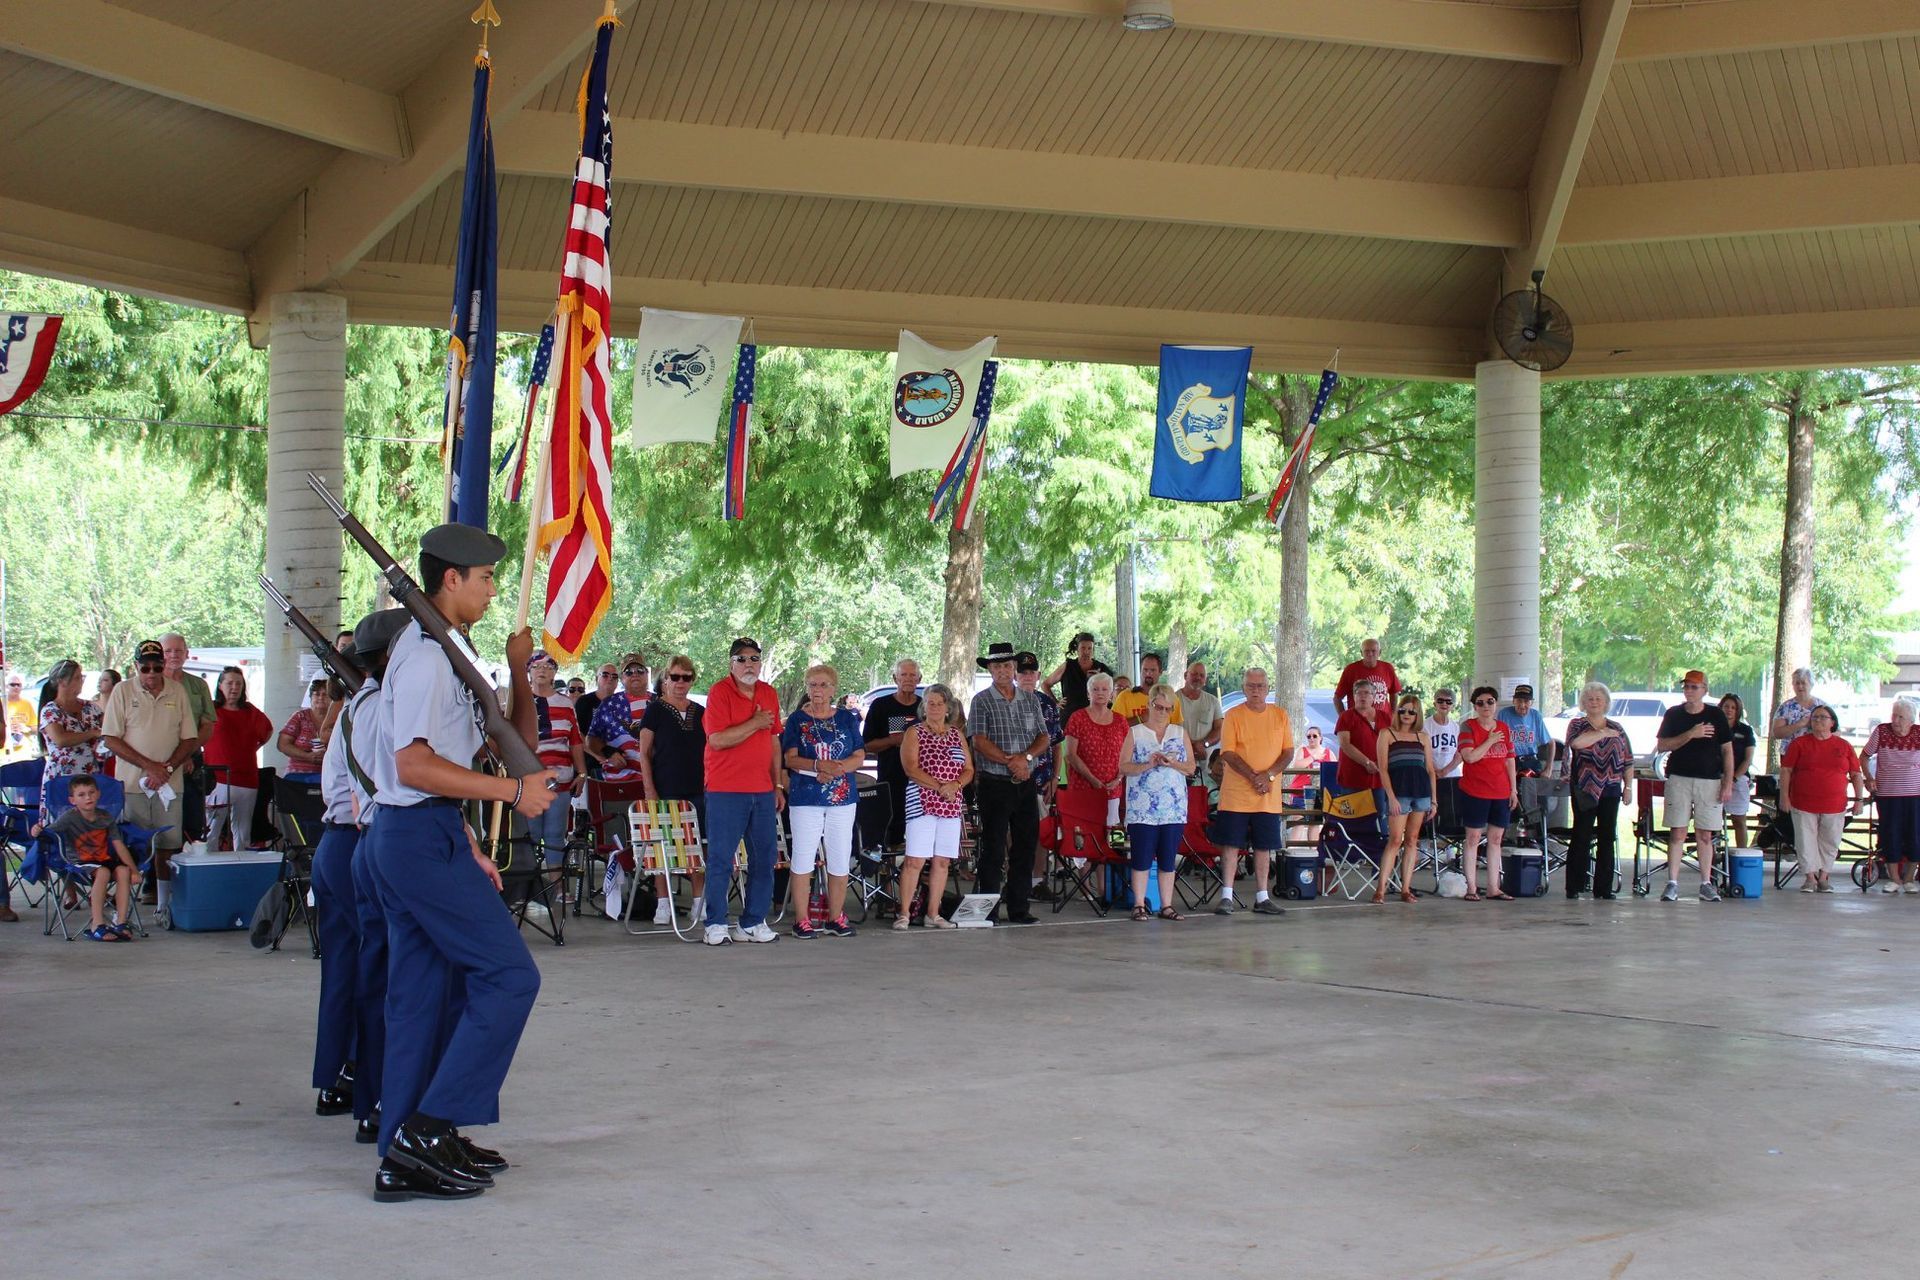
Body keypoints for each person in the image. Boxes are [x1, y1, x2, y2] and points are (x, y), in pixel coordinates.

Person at [366, 524, 556, 1203]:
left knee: (421, 998)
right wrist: (510, 790)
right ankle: (428, 1125)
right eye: (484, 578)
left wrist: (468, 840)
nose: (492, 588)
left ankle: (406, 1152)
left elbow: (453, 756)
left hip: (425, 832)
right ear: (451, 580)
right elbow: (412, 765)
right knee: (509, 977)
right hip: (415, 837)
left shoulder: (446, 649)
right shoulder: (422, 656)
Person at [311, 608, 409, 1135]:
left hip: (341, 843)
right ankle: (371, 1092)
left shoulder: (359, 705)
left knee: (349, 973)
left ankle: (341, 1078)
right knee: (380, 976)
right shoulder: (376, 708)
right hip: (357, 843)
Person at [338, 608, 412, 1146]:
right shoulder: (377, 708)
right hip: (386, 836)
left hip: (373, 839)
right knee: (393, 983)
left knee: (380, 978)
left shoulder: (364, 704)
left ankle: (373, 1099)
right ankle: (382, 1100)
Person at [101, 639, 199, 918]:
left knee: (168, 845)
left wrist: (166, 769)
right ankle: (123, 906)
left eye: (158, 667)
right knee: (133, 844)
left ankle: (163, 905)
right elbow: (110, 738)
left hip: (171, 784)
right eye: (146, 668)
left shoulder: (177, 691)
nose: (152, 674)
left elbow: (190, 737)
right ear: (136, 666)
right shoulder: (121, 691)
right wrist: (149, 767)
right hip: (133, 785)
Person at [700, 637, 786, 946]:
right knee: (722, 859)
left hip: (763, 790)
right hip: (726, 789)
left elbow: (775, 740)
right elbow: (717, 740)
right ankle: (716, 923)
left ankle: (752, 922)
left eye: (753, 658)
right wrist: (755, 722)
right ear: (731, 664)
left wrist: (777, 783)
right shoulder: (720, 692)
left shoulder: (769, 693)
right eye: (741, 659)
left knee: (765, 858)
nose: (748, 664)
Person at [781, 664, 865, 938]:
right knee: (804, 856)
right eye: (813, 685)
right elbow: (790, 758)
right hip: (806, 795)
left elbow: (859, 755)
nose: (818, 690)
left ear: (833, 689)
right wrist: (818, 766)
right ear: (807, 688)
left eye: (824, 685)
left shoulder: (847, 718)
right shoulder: (796, 719)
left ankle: (835, 917)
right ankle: (802, 920)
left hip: (842, 797)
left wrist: (836, 768)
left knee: (840, 856)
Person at [969, 641, 1050, 925]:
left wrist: (1025, 758)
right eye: (996, 666)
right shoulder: (981, 700)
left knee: (1026, 845)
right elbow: (978, 741)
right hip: (994, 782)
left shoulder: (1031, 700)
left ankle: (1018, 907)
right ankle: (988, 909)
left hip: (1025, 782)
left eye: (1007, 665)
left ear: (1014, 668)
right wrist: (1010, 760)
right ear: (989, 669)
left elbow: (1044, 737)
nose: (1002, 670)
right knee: (992, 847)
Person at [1213, 667, 1292, 915]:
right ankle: (1226, 895)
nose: (1256, 690)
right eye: (1251, 685)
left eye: (1260, 685)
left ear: (1268, 688)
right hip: (1236, 794)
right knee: (1231, 844)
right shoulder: (1233, 715)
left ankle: (1262, 896)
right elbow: (1227, 751)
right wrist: (1254, 776)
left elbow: (1288, 752)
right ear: (1244, 687)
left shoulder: (1280, 715)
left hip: (1267, 795)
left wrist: (1267, 775)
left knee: (1263, 846)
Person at [637, 654, 709, 925]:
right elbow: (644, 752)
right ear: (665, 678)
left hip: (697, 789)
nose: (680, 682)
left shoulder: (700, 712)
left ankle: (698, 902)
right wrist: (649, 789)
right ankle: (663, 903)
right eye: (675, 677)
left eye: (686, 677)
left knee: (697, 846)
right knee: (662, 847)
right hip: (665, 787)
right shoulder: (655, 709)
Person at [895, 683, 973, 930]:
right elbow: (911, 768)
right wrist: (941, 786)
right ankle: (904, 913)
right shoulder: (914, 732)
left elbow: (969, 769)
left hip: (951, 804)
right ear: (924, 706)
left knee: (942, 861)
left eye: (940, 703)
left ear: (948, 708)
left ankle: (933, 913)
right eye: (930, 703)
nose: (935, 707)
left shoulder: (957, 734)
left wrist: (956, 784)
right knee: (915, 859)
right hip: (922, 801)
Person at [1652, 670, 1732, 902]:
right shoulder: (1674, 714)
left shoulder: (1716, 715)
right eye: (1686, 686)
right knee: (1677, 831)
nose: (1689, 691)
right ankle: (1672, 882)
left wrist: (1727, 782)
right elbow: (1663, 745)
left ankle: (1706, 882)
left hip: (1710, 780)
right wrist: (1691, 734)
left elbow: (1727, 749)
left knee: (1705, 833)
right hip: (1679, 778)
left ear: (1705, 690)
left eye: (1694, 687)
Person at [32, 773, 139, 941]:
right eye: (81, 795)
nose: (88, 797)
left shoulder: (105, 817)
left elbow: (119, 845)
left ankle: (121, 923)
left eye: (91, 793)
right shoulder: (69, 817)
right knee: (103, 872)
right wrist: (36, 831)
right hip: (79, 862)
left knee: (124, 871)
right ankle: (97, 924)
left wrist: (134, 871)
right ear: (72, 800)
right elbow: (49, 832)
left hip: (103, 859)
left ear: (98, 794)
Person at [1118, 682, 1193, 920]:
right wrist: (1148, 764)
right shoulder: (1135, 733)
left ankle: (1166, 905)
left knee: (1168, 858)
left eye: (1167, 709)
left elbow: (1190, 767)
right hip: (1142, 808)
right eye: (1158, 707)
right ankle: (1139, 903)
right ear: (1148, 705)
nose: (1162, 713)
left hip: (1173, 807)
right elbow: (1123, 766)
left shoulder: (1180, 733)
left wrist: (1173, 763)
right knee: (1141, 856)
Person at [1780, 705, 1866, 893]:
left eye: (1822, 717)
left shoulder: (1844, 745)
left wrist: (1859, 799)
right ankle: (1810, 878)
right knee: (1805, 840)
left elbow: (1856, 774)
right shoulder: (1799, 744)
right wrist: (1784, 796)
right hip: (1803, 802)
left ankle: (1824, 877)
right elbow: (1786, 770)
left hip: (1834, 804)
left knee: (1830, 841)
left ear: (1832, 722)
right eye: (1815, 717)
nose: (1817, 720)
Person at [1563, 682, 1632, 900]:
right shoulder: (1577, 724)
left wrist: (1628, 786)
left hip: (1611, 788)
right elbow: (1577, 744)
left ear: (1606, 703)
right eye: (1590, 699)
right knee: (1581, 835)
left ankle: (1603, 888)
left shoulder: (1617, 728)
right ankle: (1574, 886)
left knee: (1607, 836)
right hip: (1584, 787)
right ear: (1584, 703)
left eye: (1598, 699)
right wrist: (1602, 734)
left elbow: (1627, 760)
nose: (1594, 702)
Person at [527, 650, 586, 890]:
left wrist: (581, 773)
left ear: (555, 672)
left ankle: (557, 888)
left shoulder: (565, 703)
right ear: (528, 671)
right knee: (528, 837)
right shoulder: (518, 701)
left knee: (554, 835)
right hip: (528, 782)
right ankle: (527, 887)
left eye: (548, 666)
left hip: (560, 780)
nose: (542, 670)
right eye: (536, 666)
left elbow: (575, 740)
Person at [1457, 686, 1518, 901]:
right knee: (1473, 837)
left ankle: (1494, 887)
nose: (1486, 706)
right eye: (1480, 702)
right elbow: (1470, 757)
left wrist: (1513, 789)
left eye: (1490, 701)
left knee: (1496, 838)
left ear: (1496, 704)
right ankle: (1471, 887)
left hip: (1501, 790)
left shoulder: (1503, 727)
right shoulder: (1468, 727)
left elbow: (1510, 759)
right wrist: (1490, 741)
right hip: (1475, 790)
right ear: (1474, 706)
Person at [1374, 693, 1436, 904]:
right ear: (1397, 711)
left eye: (1412, 711)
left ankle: (1406, 888)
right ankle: (1381, 888)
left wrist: (1434, 800)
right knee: (1394, 840)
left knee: (1412, 841)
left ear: (1417, 714)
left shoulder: (1423, 737)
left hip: (1421, 793)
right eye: (1403, 710)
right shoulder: (1387, 734)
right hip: (1399, 793)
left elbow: (1430, 769)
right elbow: (1382, 769)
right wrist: (1390, 796)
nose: (1407, 714)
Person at [203, 666, 273, 852]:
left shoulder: (251, 711)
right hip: (218, 778)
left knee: (243, 833)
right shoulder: (211, 709)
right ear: (220, 685)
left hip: (247, 779)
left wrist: (253, 747)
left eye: (238, 684)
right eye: (230, 683)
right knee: (211, 831)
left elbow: (267, 730)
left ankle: (240, 868)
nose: (234, 688)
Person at [160, 633, 219, 842]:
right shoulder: (151, 684)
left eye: (178, 650)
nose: (173, 655)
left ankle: (189, 872)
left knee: (192, 824)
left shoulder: (198, 685)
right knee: (161, 826)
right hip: (157, 762)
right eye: (168, 651)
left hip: (191, 762)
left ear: (187, 654)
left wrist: (186, 753)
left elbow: (207, 725)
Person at [861, 658, 922, 850]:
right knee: (889, 835)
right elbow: (867, 745)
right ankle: (887, 877)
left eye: (912, 675)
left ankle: (917, 876)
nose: (908, 679)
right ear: (895, 678)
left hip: (921, 781)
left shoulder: (926, 707)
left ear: (919, 679)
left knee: (918, 834)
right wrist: (893, 741)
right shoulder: (881, 706)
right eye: (904, 674)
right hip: (890, 778)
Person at [1060, 672, 1129, 839]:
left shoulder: (1121, 721)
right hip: (1083, 788)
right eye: (1095, 689)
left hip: (1112, 789)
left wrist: (1119, 778)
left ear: (1112, 694)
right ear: (1088, 693)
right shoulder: (1077, 718)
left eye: (1105, 689)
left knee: (1113, 835)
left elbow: (1128, 755)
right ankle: (1081, 865)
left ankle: (1112, 863)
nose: (1100, 693)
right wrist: (1093, 780)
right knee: (1083, 836)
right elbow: (1070, 755)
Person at [1016, 652, 1062, 900]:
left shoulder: (1048, 704)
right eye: (1022, 672)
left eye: (1031, 672)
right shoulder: (1005, 701)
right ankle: (1015, 880)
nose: (1027, 677)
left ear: (1038, 675)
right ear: (1015, 674)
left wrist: (1055, 777)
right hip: (1012, 778)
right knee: (1013, 833)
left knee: (1041, 832)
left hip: (1042, 779)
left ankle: (1037, 881)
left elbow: (1056, 743)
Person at [1862, 697, 1920, 894]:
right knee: (1890, 834)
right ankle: (1894, 878)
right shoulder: (1881, 731)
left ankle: (1910, 878)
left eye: (1901, 717)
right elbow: (1864, 756)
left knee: (1915, 835)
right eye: (1894, 715)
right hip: (1888, 794)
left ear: (1911, 720)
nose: (1895, 720)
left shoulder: (1919, 733)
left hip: (1915, 794)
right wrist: (1869, 777)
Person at [587, 652, 651, 784]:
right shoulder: (608, 704)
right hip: (618, 781)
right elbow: (591, 740)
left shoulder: (659, 703)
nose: (635, 674)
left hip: (657, 782)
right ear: (622, 677)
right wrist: (607, 751)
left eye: (640, 670)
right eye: (629, 672)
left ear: (647, 674)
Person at [38, 658, 104, 780]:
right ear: (62, 681)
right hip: (62, 777)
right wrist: (92, 733)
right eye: (77, 678)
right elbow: (61, 740)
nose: (82, 681)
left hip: (90, 777)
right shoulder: (50, 710)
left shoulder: (91, 707)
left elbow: (109, 729)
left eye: (81, 677)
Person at [1334, 678, 1390, 820]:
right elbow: (1345, 744)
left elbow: (1392, 743)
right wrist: (1366, 762)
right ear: (1353, 696)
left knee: (1379, 820)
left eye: (1367, 693)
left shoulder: (1385, 717)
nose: (1363, 696)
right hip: (1353, 778)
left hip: (1379, 778)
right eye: (1359, 693)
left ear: (1374, 696)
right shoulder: (1346, 717)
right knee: (1353, 821)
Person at [1042, 631, 1113, 721]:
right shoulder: (1067, 666)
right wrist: (1055, 702)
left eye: (1089, 648)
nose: (1086, 652)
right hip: (1070, 717)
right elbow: (1045, 684)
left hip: (1096, 718)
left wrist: (1099, 680)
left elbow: (1113, 692)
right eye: (1083, 648)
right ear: (1077, 649)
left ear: (1093, 650)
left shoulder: (1101, 668)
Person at [1284, 726, 1333, 847]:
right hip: (1301, 791)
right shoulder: (1302, 750)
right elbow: (1297, 766)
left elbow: (1333, 770)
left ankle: (1314, 854)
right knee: (1298, 822)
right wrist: (1313, 758)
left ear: (1320, 738)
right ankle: (1292, 852)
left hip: (1318, 793)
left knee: (1314, 823)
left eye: (1314, 736)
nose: (1311, 738)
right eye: (1309, 736)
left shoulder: (1328, 752)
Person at [278, 677, 333, 785]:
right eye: (317, 694)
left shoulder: (337, 720)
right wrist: (307, 756)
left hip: (327, 777)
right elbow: (282, 744)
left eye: (325, 694)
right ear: (310, 698)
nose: (321, 697)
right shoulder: (300, 717)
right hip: (297, 777)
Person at [1719, 694, 1757, 847]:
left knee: (1739, 819)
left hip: (1738, 777)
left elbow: (1748, 759)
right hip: (1715, 777)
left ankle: (1742, 853)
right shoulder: (1713, 728)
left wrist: (1732, 778)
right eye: (1726, 706)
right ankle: (1714, 855)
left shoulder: (1746, 731)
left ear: (1738, 711)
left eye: (1733, 708)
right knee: (1713, 820)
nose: (1729, 710)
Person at [1425, 688, 1463, 832]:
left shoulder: (1455, 727)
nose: (1444, 704)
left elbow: (1459, 754)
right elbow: (1423, 752)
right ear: (1434, 703)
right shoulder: (1425, 725)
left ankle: (1449, 852)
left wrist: (1445, 771)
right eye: (1440, 700)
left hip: (1452, 777)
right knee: (1430, 814)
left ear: (1453, 705)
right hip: (1430, 777)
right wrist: (1434, 771)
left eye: (1448, 701)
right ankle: (1426, 849)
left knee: (1451, 816)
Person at [1112, 653, 1182, 728]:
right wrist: (1140, 718)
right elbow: (1115, 726)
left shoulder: (1171, 698)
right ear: (1140, 671)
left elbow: (1176, 731)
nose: (1148, 673)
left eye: (1153, 670)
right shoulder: (1125, 696)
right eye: (1145, 670)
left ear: (1160, 672)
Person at [1334, 638, 1400, 714]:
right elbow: (1337, 698)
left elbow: (1394, 693)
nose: (1370, 654)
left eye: (1373, 651)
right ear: (1361, 653)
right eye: (1366, 651)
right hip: (1358, 722)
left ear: (1380, 652)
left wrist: (1393, 715)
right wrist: (1344, 719)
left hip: (1383, 722)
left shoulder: (1387, 668)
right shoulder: (1351, 670)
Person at [1769, 667, 1829, 748]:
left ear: (1811, 684)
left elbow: (1836, 731)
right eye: (1797, 683)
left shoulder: (1823, 706)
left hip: (1817, 752)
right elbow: (1776, 733)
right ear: (1793, 685)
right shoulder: (1785, 707)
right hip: (1790, 753)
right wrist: (1800, 724)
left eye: (1803, 683)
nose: (1800, 686)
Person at [573, 662, 617, 769]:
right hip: (591, 763)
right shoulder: (584, 701)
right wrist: (598, 756)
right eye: (605, 675)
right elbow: (577, 733)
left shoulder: (622, 703)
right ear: (597, 678)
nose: (610, 678)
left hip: (618, 762)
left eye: (614, 676)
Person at [1175, 660, 1223, 755]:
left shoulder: (1213, 701)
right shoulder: (1172, 699)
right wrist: (1189, 746)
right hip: (1179, 759)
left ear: (1205, 680)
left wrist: (1204, 744)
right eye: (1194, 674)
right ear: (1185, 675)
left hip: (1206, 762)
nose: (1198, 678)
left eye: (1202, 676)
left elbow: (1220, 729)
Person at [5, 673, 38, 758]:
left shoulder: (27, 703)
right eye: (12, 684)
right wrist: (7, 729)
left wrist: (26, 728)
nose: (16, 687)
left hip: (24, 752)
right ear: (6, 686)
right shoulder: (2, 704)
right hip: (5, 752)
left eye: (18, 685)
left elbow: (37, 729)